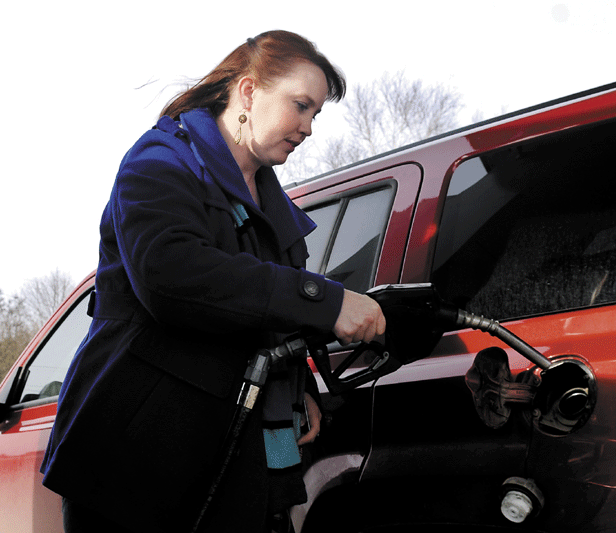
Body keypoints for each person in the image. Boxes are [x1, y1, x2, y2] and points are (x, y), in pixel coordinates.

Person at [40, 30, 385, 533]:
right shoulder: (160, 160)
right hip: (140, 462)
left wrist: (298, 389)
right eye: (301, 105)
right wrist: (325, 301)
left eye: (316, 114)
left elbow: (266, 314)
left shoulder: (272, 203)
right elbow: (171, 275)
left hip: (235, 461)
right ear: (248, 92)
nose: (309, 127)